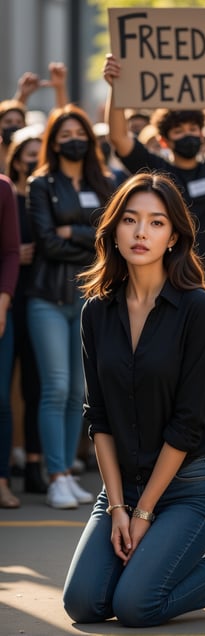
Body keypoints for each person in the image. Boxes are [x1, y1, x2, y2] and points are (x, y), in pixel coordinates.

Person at [63, 172, 205, 627]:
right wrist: (117, 508)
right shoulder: (96, 310)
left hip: (189, 488)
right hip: (121, 486)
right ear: (114, 230)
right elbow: (99, 417)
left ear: (173, 237)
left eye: (156, 222)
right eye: (130, 220)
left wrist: (144, 511)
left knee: (135, 606)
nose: (141, 232)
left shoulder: (200, 309)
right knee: (84, 604)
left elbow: (189, 424)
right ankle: (141, 564)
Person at [103, 40, 205, 326]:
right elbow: (119, 138)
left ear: (202, 134)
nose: (188, 135)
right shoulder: (156, 171)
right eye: (178, 130)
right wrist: (115, 86)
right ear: (164, 139)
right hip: (165, 283)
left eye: (193, 129)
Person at [26, 103, 115, 508]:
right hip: (48, 297)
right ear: (53, 142)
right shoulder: (41, 183)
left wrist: (74, 230)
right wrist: (87, 235)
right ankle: (56, 474)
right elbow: (49, 242)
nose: (74, 141)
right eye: (65, 136)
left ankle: (66, 474)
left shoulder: (104, 182)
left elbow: (109, 236)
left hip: (90, 298)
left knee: (78, 391)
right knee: (56, 386)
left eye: (80, 135)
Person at [5, 126, 48, 494]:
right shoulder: (7, 196)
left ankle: (35, 463)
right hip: (8, 299)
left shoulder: (42, 196)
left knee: (37, 385)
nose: (33, 159)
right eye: (28, 153)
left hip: (37, 295)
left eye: (40, 152)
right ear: (15, 158)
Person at [0, 171, 20, 508]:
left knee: (0, 400)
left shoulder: (3, 187)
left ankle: (1, 481)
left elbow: (11, 252)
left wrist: (2, 304)